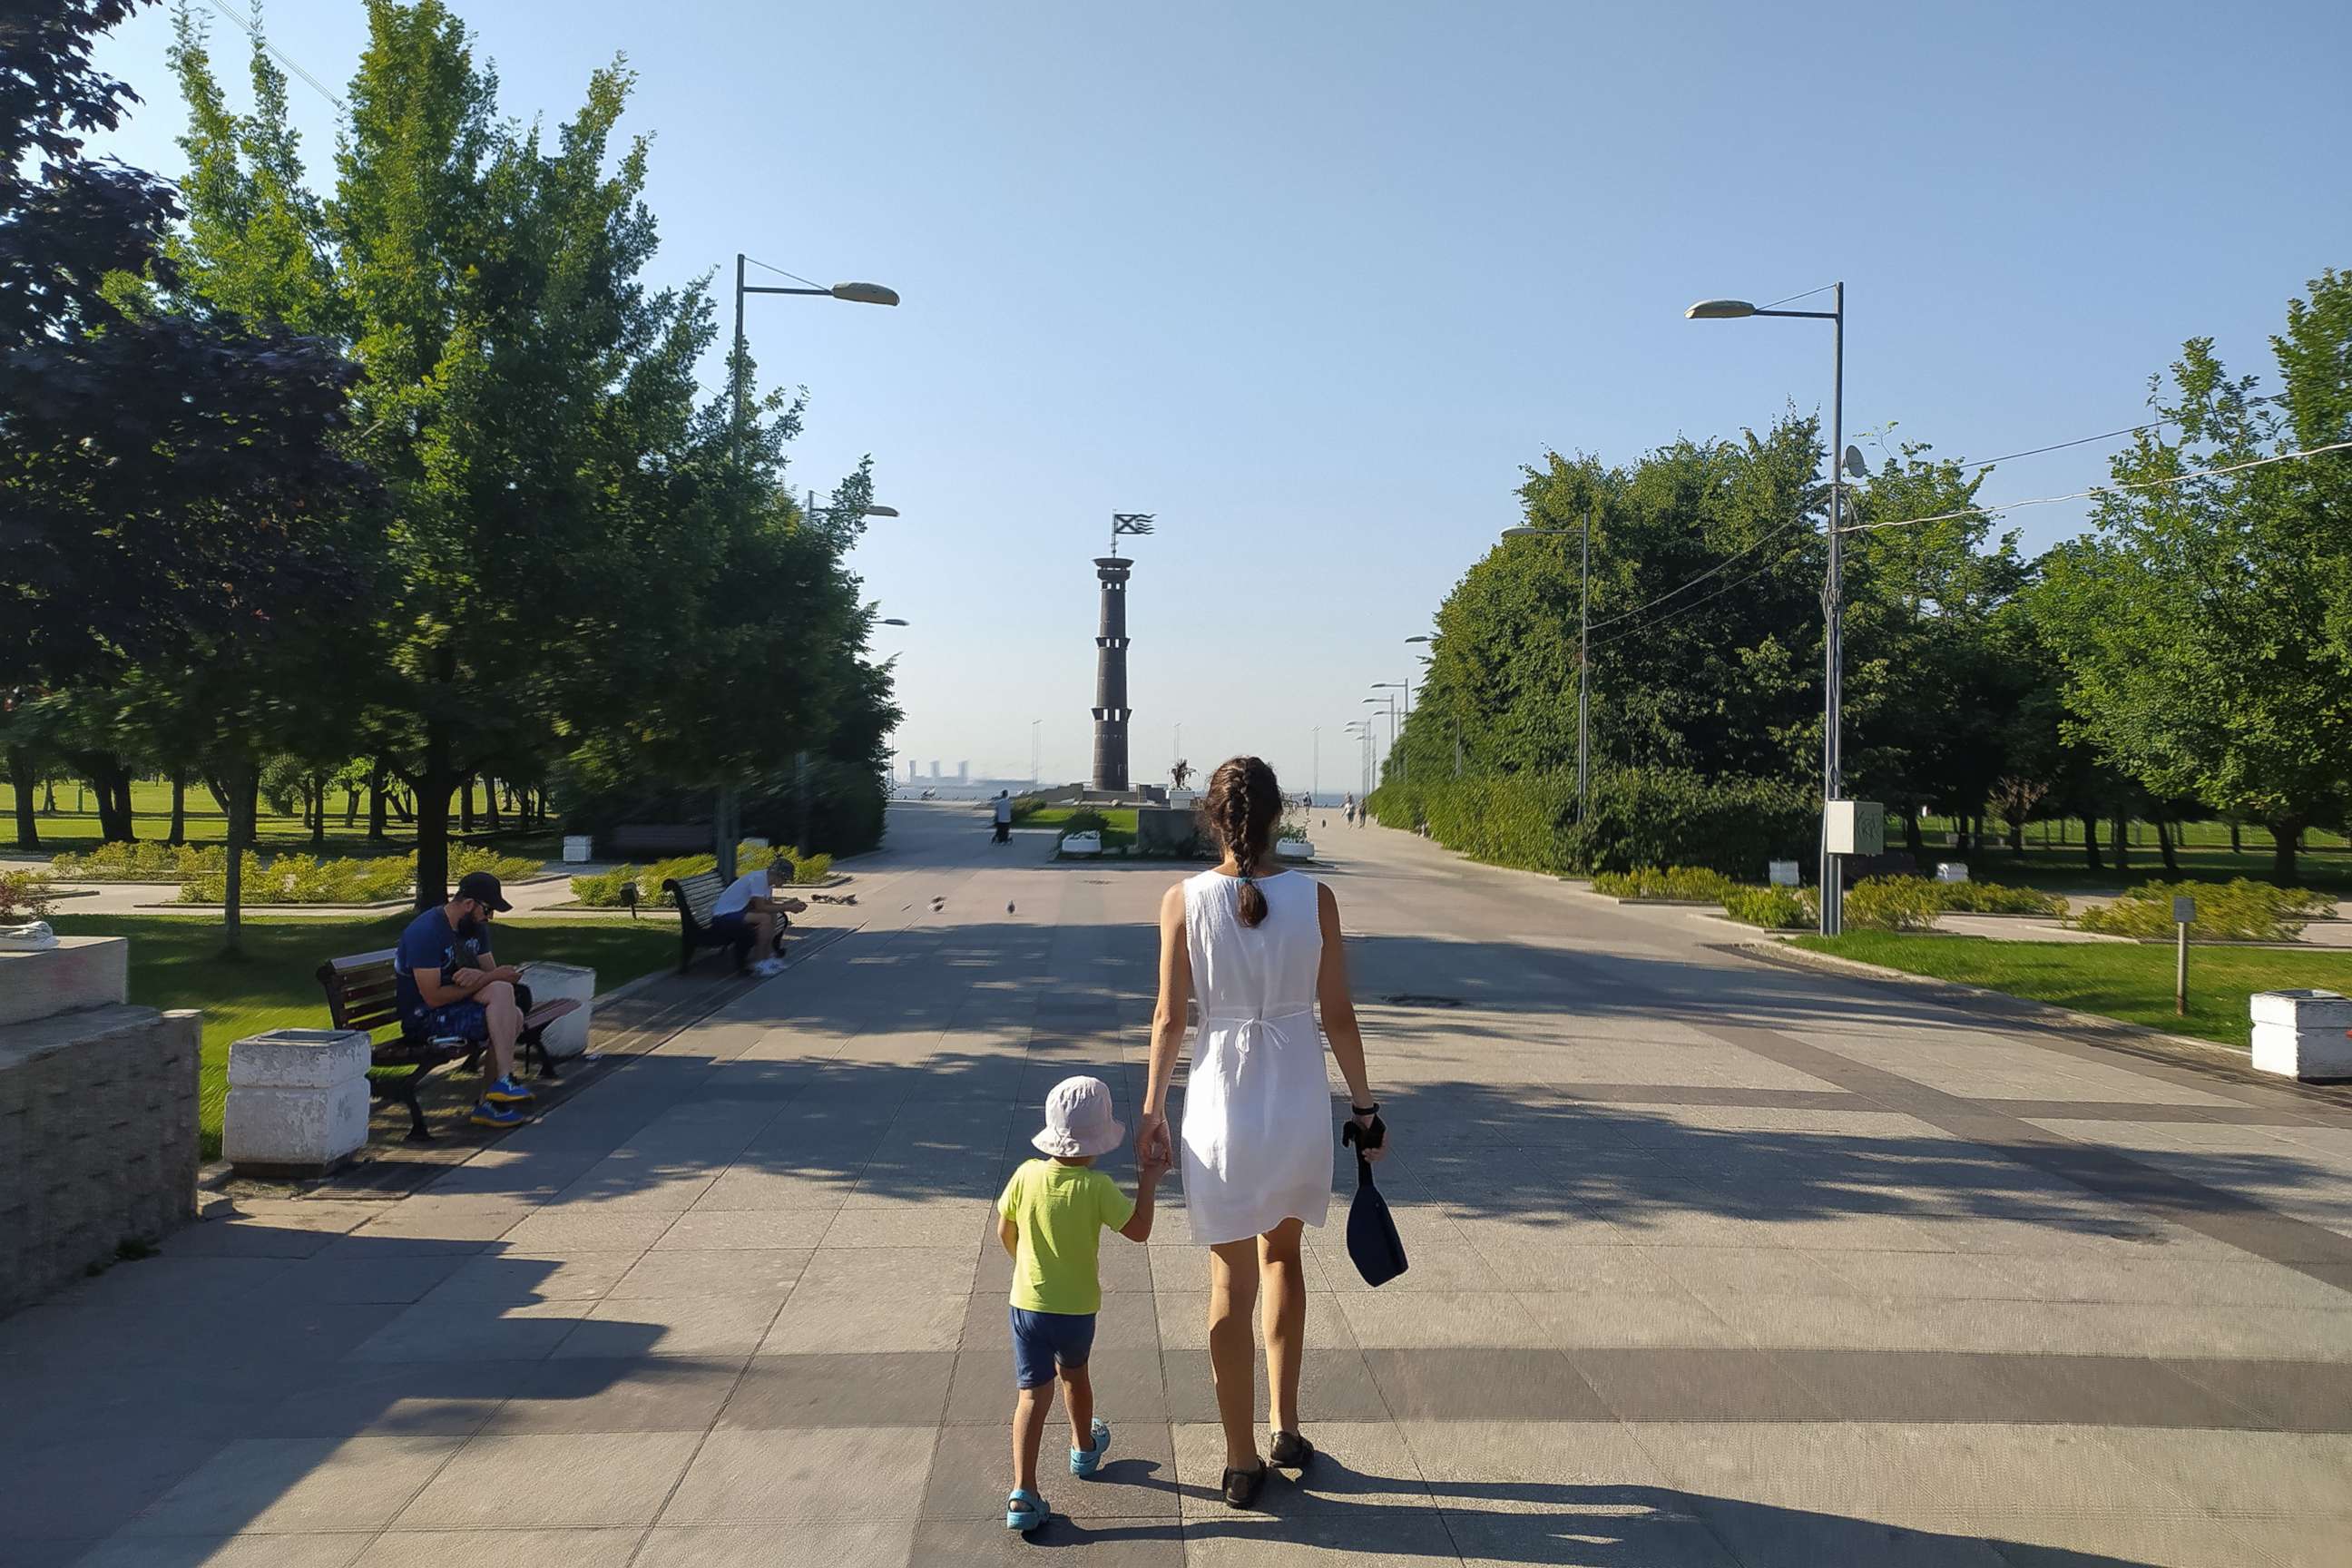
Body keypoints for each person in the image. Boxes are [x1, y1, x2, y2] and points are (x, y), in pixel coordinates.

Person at [1137, 755, 1385, 1510]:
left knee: (1227, 1281)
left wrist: (1152, 1111)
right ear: (1281, 816)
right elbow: (1337, 1014)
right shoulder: (1317, 899)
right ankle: (1286, 1423)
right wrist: (1366, 1108)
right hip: (1296, 1097)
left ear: (1213, 819)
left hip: (1218, 1102)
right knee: (1284, 1260)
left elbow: (1170, 1017)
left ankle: (1240, 1459)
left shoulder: (1183, 901)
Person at [999, 1075, 1168, 1533]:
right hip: (1075, 1312)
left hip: (1027, 1306)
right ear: (1098, 1142)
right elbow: (1139, 1230)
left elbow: (1005, 1231)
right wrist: (1148, 1180)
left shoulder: (1025, 1175)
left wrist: (1025, 1266)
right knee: (1075, 1376)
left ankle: (1023, 1493)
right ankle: (1083, 1448)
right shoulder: (1097, 1188)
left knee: (1032, 1395)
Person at [392, 871, 534, 1129]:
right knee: (511, 1014)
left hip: (455, 1008)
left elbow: (496, 978)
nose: (489, 919)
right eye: (488, 910)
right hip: (424, 1019)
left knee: (509, 1003)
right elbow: (433, 998)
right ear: (469, 904)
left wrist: (487, 976)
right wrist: (486, 978)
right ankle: (494, 1096)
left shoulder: (474, 928)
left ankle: (498, 1090)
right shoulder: (426, 932)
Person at [709, 858, 808, 977]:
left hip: (738, 912)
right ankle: (760, 962)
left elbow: (769, 905)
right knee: (764, 918)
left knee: (772, 914)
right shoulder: (759, 879)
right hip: (724, 916)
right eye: (785, 879)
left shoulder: (767, 882)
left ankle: (768, 957)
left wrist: (790, 905)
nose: (784, 882)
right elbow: (760, 907)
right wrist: (788, 907)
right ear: (777, 875)